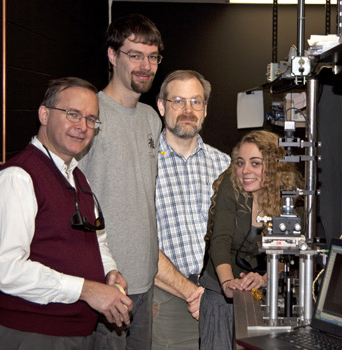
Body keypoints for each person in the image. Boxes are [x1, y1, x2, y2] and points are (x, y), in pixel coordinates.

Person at [77, 15, 201, 350]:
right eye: (134, 55)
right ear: (112, 55)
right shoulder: (89, 115)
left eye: (152, 56)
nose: (145, 66)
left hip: (146, 284)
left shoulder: (150, 119)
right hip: (108, 285)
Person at [0, 77, 133, 350]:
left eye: (90, 119)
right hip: (33, 336)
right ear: (44, 114)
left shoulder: (77, 177)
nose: (82, 126)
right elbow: (4, 270)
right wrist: (87, 289)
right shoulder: (18, 178)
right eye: (73, 114)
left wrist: (109, 272)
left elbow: (96, 238)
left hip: (77, 335)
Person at [199, 130, 304, 349]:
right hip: (221, 287)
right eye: (240, 163)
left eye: (255, 164)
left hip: (267, 290)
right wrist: (227, 283)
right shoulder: (232, 185)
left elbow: (288, 250)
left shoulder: (288, 196)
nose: (244, 171)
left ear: (275, 167)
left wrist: (267, 278)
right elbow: (220, 240)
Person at [153, 70, 230, 349]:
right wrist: (190, 292)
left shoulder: (225, 165)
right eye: (178, 101)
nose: (188, 110)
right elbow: (136, 242)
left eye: (196, 102)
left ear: (205, 109)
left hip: (219, 293)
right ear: (161, 106)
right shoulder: (143, 164)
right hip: (167, 300)